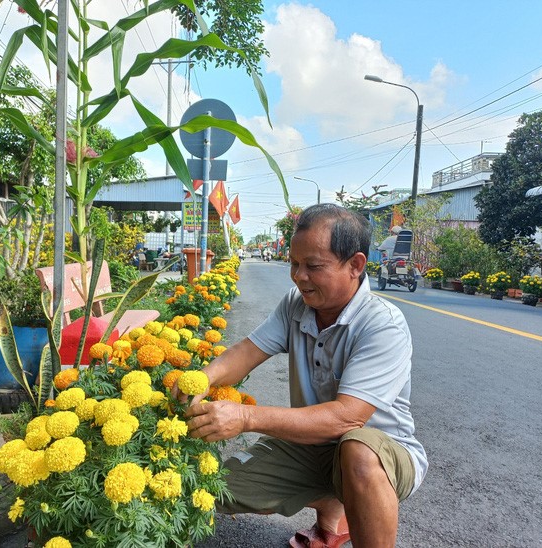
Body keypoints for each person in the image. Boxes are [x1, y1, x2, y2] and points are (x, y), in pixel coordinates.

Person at [175, 204, 427, 548]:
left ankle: (353, 506)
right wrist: (203, 379)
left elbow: (346, 418)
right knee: (216, 487)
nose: (298, 275)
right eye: (294, 263)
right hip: (314, 446)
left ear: (355, 265)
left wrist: (246, 416)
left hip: (383, 458)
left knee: (357, 451)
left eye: (313, 266)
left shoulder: (383, 324)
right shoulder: (297, 304)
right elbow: (248, 351)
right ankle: (331, 505)